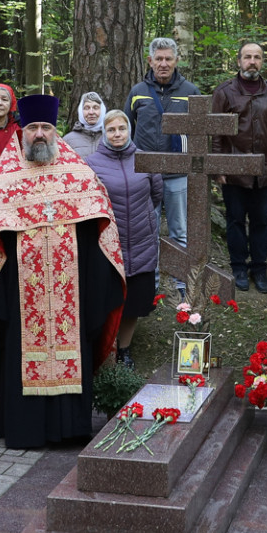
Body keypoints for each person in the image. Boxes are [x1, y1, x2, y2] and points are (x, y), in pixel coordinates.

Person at [0, 97, 127, 449]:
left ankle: (71, 428)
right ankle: (23, 429)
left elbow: (100, 228)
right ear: (21, 132)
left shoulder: (79, 175)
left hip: (73, 289)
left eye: (46, 128)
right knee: (16, 353)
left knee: (75, 349)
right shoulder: (5, 180)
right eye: (32, 128)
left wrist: (94, 286)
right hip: (19, 297)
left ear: (56, 133)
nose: (39, 134)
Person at [86, 109, 165, 366]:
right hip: (110, 243)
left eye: (121, 129)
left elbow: (156, 194)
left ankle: (125, 348)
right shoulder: (92, 163)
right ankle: (105, 349)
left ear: (128, 131)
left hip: (142, 239)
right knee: (109, 299)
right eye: (111, 130)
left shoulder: (145, 158)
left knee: (134, 302)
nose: (117, 134)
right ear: (104, 133)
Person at [213, 41, 267, 293]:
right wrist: (218, 167)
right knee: (235, 221)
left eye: (257, 57)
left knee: (260, 223)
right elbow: (216, 135)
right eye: (247, 57)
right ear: (239, 61)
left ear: (262, 62)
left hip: (265, 171)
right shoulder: (224, 92)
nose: (252, 62)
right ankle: (238, 268)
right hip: (234, 173)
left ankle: (259, 268)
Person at [127, 36, 200, 254]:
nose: (164, 64)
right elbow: (126, 128)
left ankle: (182, 284)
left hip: (178, 174)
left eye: (168, 59)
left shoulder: (190, 92)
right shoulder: (137, 91)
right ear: (150, 61)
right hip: (146, 173)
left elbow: (199, 134)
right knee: (150, 229)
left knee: (179, 230)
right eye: (159, 59)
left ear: (176, 60)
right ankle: (153, 282)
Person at [64, 92, 108, 158]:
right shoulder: (68, 140)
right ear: (81, 111)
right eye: (86, 108)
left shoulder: (111, 137)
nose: (91, 112)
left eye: (95, 108)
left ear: (102, 110)